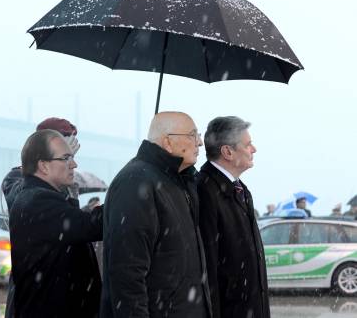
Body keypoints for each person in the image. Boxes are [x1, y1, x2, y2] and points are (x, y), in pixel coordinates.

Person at [101, 112, 211, 318]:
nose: (200, 142)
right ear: (168, 142)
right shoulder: (136, 182)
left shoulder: (180, 181)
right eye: (192, 135)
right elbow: (127, 272)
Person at [10, 129, 102, 318]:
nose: (74, 164)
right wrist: (127, 200)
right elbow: (90, 226)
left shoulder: (40, 196)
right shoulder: (37, 201)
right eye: (66, 158)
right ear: (43, 166)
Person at [1, 117, 80, 318]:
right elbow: (25, 200)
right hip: (34, 285)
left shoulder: (65, 179)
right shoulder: (16, 178)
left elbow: (73, 223)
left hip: (62, 283)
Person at [197, 116, 270, 318]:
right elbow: (208, 267)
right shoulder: (205, 191)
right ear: (227, 152)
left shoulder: (241, 189)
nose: (253, 149)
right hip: (232, 310)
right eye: (247, 145)